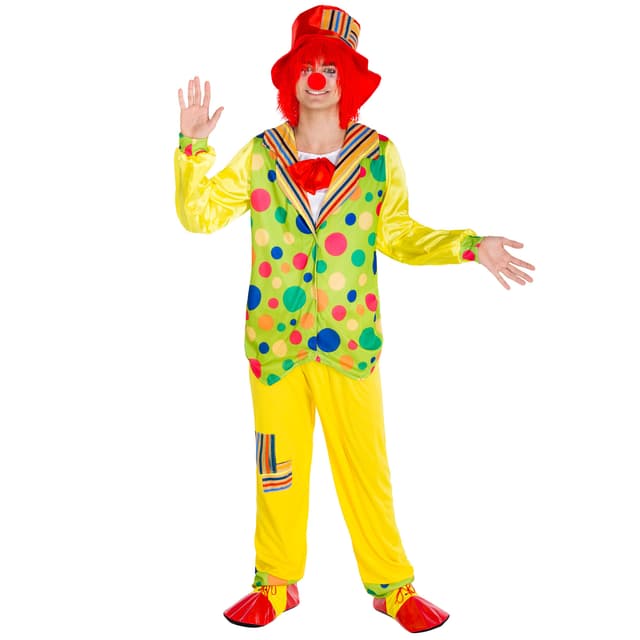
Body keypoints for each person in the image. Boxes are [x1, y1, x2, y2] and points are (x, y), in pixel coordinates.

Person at [174, 4, 534, 633]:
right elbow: (198, 215)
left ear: (348, 80)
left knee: (366, 469)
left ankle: (393, 586)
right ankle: (275, 581)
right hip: (274, 347)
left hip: (350, 343)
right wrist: (193, 147)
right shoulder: (260, 155)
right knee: (276, 469)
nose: (318, 78)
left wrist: (469, 245)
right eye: (306, 66)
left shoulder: (378, 156)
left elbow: (398, 235)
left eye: (330, 67)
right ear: (291, 79)